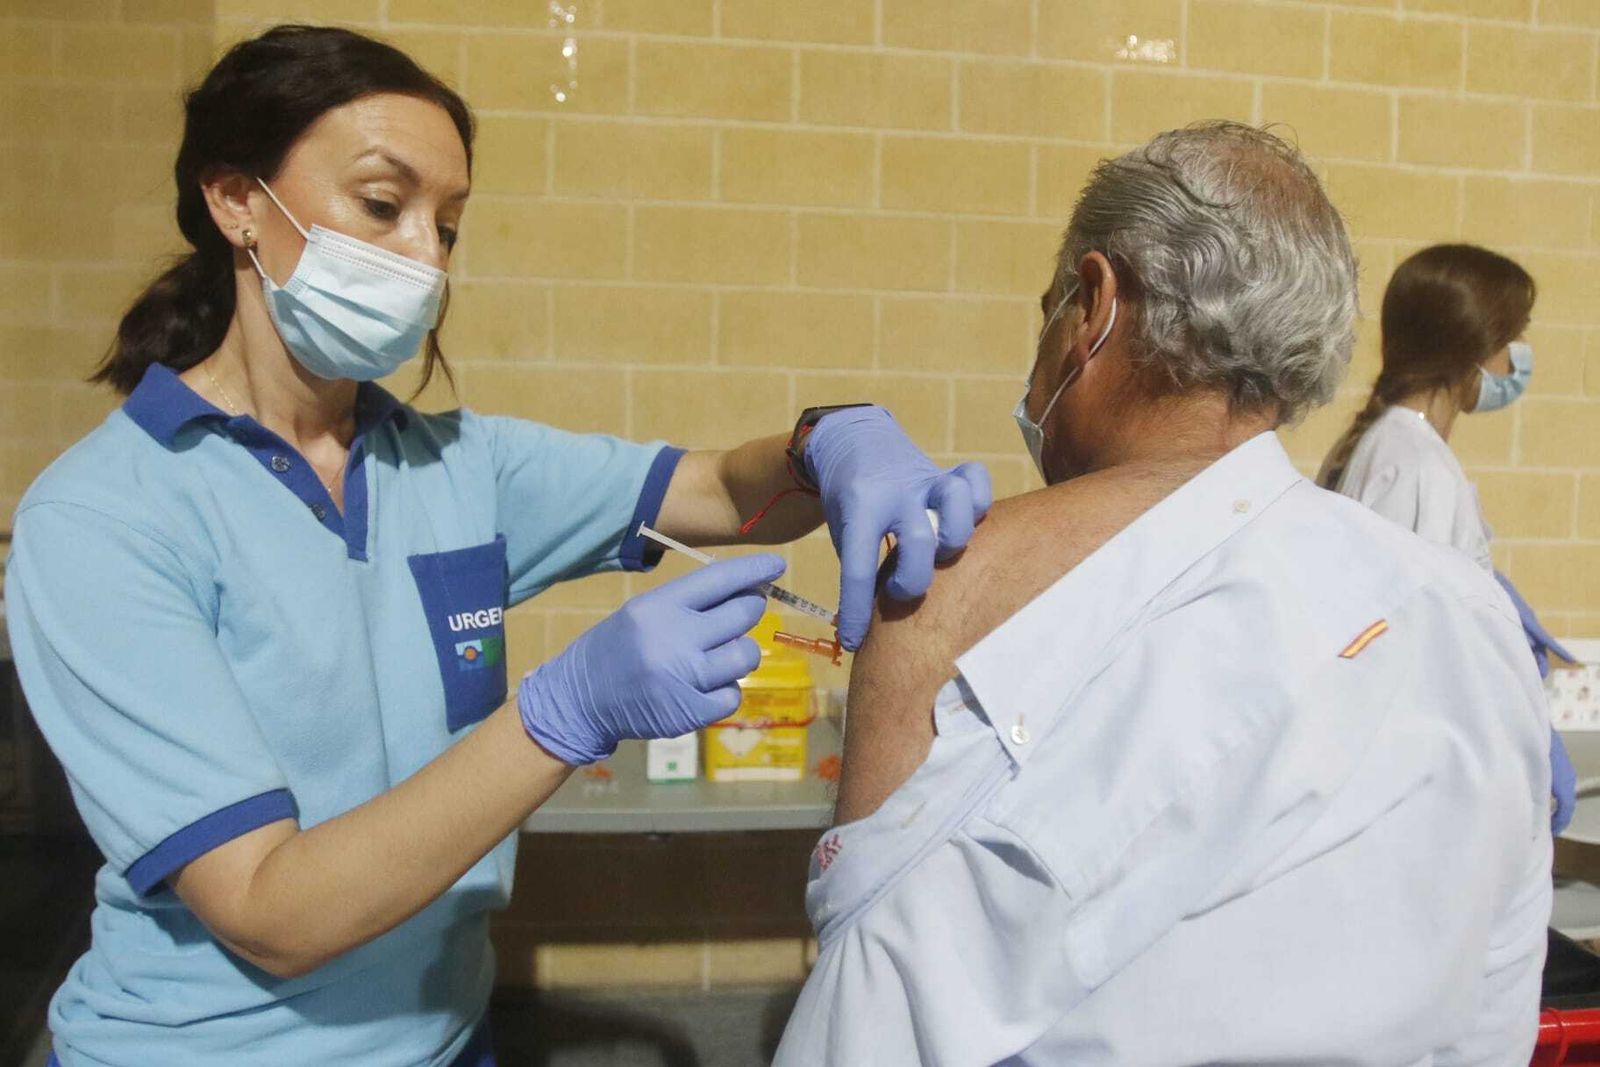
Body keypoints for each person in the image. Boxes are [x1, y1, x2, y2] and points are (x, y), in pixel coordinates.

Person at [2, 26, 990, 1067]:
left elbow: (716, 490)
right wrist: (564, 712)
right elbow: (266, 909)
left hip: (444, 1037)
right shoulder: (105, 518)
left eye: (449, 226)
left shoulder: (454, 465)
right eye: (383, 205)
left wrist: (826, 442)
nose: (425, 257)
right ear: (236, 199)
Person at [774, 123, 1552, 1065]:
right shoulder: (1468, 615)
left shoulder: (955, 585)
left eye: (1048, 311)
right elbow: (1493, 1013)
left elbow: (868, 1027)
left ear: (1095, 307)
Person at [1318, 244, 1576, 832]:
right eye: (1512, 338)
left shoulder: (1397, 447)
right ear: (1474, 347)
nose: (1517, 358)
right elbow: (1413, 642)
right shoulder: (1411, 462)